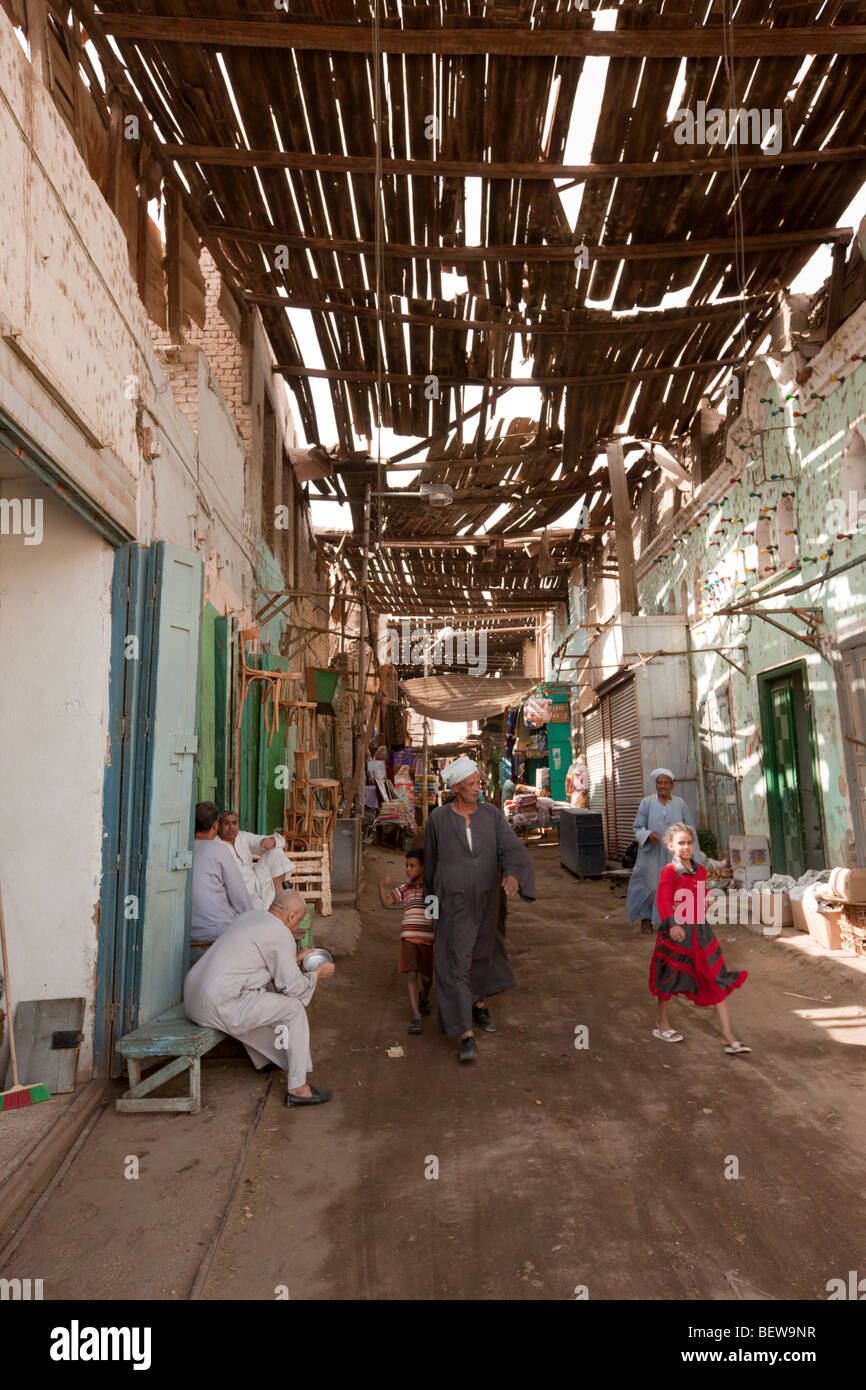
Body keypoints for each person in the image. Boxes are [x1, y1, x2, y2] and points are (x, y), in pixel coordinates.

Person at [423, 754, 535, 1064]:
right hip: (452, 903)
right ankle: (464, 1033)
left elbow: (509, 847)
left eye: (478, 783)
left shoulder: (492, 815)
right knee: (456, 961)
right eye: (471, 784)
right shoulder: (438, 820)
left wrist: (512, 874)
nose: (478, 789)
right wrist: (430, 908)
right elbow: (430, 865)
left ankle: (479, 1004)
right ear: (456, 787)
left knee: (482, 955)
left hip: (487, 901)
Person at [184, 888, 336, 1106]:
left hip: (193, 998)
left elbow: (261, 966)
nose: (297, 926)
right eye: (299, 920)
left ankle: (265, 1060)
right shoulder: (281, 933)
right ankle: (298, 1088)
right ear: (292, 916)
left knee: (260, 998)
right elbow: (294, 989)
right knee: (293, 1009)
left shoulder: (251, 916)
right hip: (218, 1003)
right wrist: (317, 974)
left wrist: (296, 959)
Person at [649, 824, 750, 1053]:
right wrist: (672, 925)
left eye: (689, 843)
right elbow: (663, 901)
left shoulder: (701, 871)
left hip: (700, 933)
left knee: (716, 976)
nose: (686, 847)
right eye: (681, 843)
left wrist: (706, 902)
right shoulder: (669, 871)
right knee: (669, 978)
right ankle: (662, 1023)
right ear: (671, 847)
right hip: (676, 933)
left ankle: (727, 1035)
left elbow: (701, 899)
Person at [626, 768, 716, 934]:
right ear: (656, 785)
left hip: (674, 856)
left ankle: (668, 922)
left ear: (672, 785)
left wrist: (692, 853)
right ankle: (646, 919)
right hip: (651, 853)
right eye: (659, 783)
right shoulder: (647, 803)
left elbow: (690, 829)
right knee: (650, 886)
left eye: (666, 782)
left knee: (673, 889)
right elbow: (638, 827)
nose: (662, 786)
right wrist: (647, 834)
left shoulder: (680, 803)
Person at [379, 848, 434, 1036]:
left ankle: (424, 997)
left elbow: (435, 917)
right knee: (411, 976)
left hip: (428, 941)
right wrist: (381, 886)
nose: (408, 869)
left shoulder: (433, 888)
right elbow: (387, 902)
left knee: (427, 978)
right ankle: (416, 1016)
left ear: (423, 867)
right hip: (409, 938)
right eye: (406, 865)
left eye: (412, 866)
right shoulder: (405, 888)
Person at [190, 801, 253, 943]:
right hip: (218, 932)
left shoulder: (183, 849)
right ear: (215, 826)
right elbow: (239, 896)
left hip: (186, 932)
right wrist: (251, 923)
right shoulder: (218, 849)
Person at [218, 810, 295, 911]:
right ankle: (275, 908)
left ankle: (280, 897)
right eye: (227, 823)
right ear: (219, 826)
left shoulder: (242, 836)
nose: (231, 827)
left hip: (255, 880)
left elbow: (280, 841)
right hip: (237, 889)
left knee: (275, 852)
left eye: (234, 823)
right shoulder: (216, 844)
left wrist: (272, 841)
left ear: (238, 825)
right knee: (257, 911)